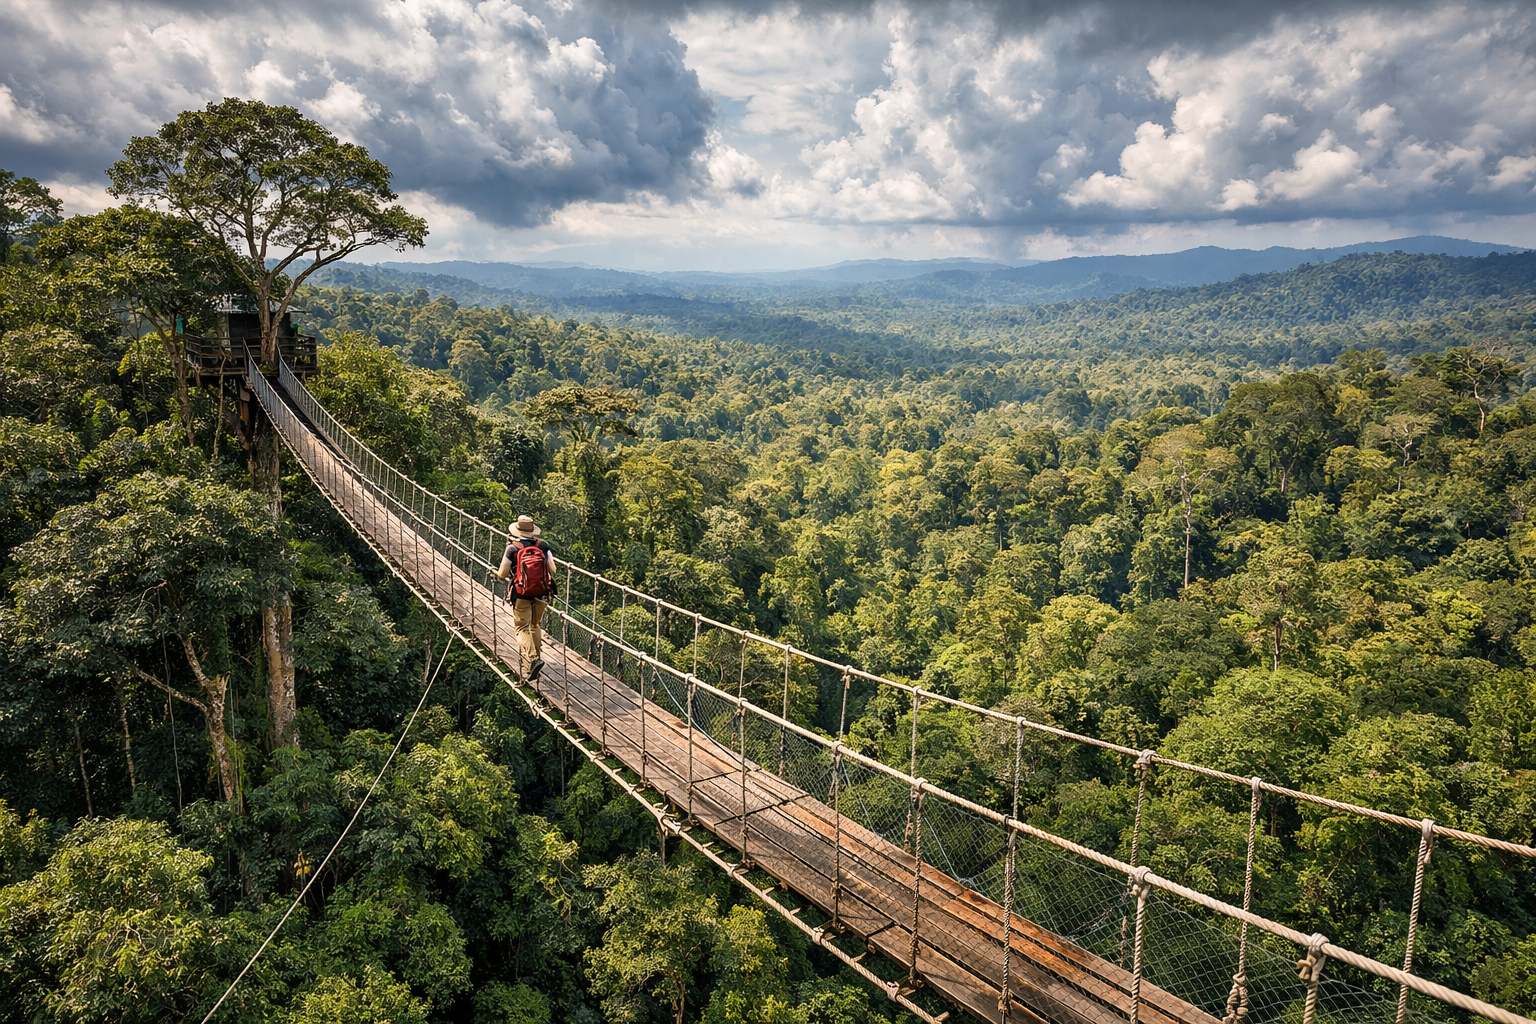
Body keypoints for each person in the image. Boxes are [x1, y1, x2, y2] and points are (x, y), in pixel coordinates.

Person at [498, 515, 555, 680]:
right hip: (542, 593)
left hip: (521, 594)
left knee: (521, 628)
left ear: (517, 530)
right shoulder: (543, 546)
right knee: (534, 625)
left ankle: (532, 660)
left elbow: (502, 573)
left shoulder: (512, 548)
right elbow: (553, 569)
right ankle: (536, 657)